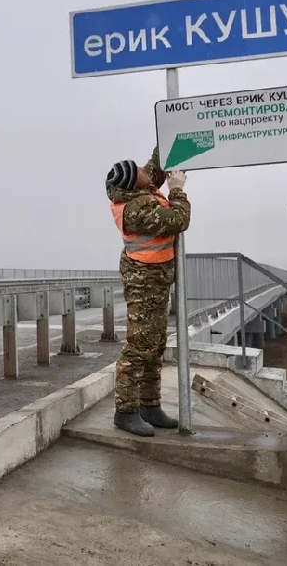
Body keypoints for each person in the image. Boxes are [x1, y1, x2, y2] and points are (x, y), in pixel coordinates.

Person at [106, 146, 191, 436]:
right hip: (144, 281)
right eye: (140, 173)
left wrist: (167, 135)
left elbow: (154, 166)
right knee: (139, 346)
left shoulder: (141, 187)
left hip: (157, 279)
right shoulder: (136, 209)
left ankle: (149, 404)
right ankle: (126, 411)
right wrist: (178, 190)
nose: (146, 172)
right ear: (134, 183)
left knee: (155, 345)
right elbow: (179, 221)